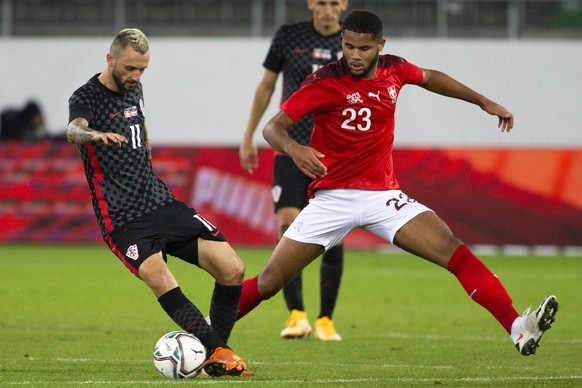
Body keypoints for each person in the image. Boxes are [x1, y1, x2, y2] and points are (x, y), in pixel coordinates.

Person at [236, 10, 558, 356]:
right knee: (269, 281)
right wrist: (295, 149)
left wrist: (483, 101)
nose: (355, 56)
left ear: (380, 45)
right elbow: (273, 128)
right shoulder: (323, 82)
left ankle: (518, 328)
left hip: (384, 198)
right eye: (348, 47)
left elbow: (431, 77)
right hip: (332, 199)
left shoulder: (395, 70)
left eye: (363, 48)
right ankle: (204, 329)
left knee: (454, 251)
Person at [66, 28, 253, 377]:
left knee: (233, 269)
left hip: (158, 200)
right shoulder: (86, 96)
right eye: (130, 69)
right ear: (111, 60)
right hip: (121, 218)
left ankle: (213, 354)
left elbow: (141, 121)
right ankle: (220, 352)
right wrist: (95, 135)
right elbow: (73, 129)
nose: (136, 77)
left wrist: (146, 146)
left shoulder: (135, 88)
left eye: (142, 70)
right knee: (160, 277)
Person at [240, 0, 348, 341]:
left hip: (333, 153)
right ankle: (296, 314)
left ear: (343, 5)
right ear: (311, 4)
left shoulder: (353, 44)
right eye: (322, 2)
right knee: (287, 224)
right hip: (290, 147)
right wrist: (248, 136)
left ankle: (326, 319)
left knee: (334, 233)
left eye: (335, 2)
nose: (328, 9)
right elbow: (267, 86)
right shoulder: (288, 36)